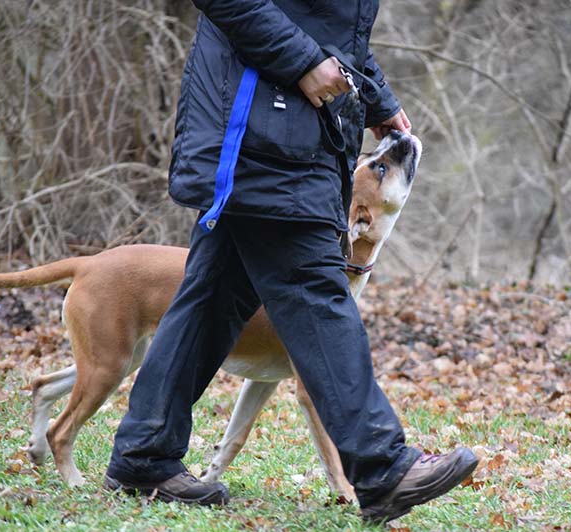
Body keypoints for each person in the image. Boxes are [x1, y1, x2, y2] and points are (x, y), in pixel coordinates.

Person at [104, 0, 477, 523]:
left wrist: (376, 98)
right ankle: (382, 466)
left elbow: (327, 25)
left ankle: (144, 456)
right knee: (314, 287)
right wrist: (302, 61)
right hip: (259, 131)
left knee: (213, 296)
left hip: (293, 130)